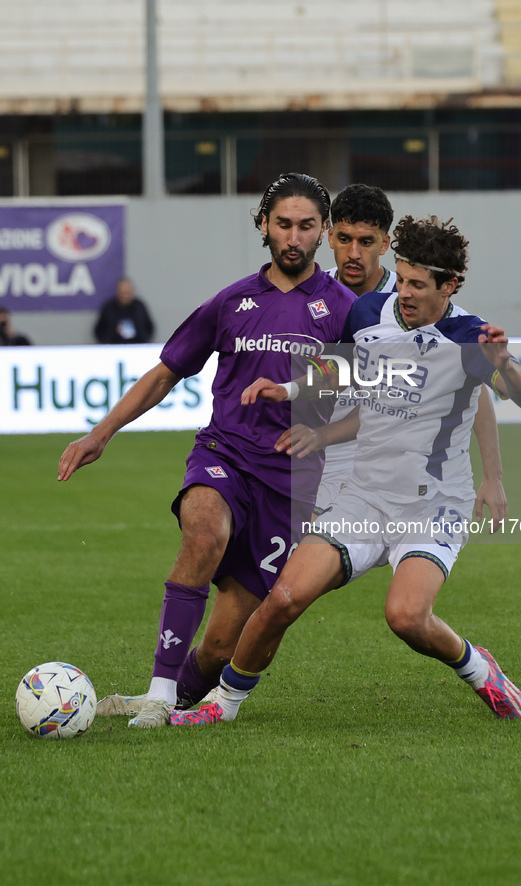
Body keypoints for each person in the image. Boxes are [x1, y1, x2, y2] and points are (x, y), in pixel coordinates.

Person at [172, 214, 521, 727]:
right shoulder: (368, 312)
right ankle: (222, 705)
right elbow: (341, 373)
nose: (403, 292)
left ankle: (479, 669)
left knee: (406, 617)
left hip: (432, 504)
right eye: (401, 277)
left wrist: (505, 366)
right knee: (283, 597)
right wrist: (290, 391)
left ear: (449, 286)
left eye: (417, 284)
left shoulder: (471, 338)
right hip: (364, 496)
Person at [58, 172, 356, 728]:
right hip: (226, 451)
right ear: (264, 226)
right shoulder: (233, 301)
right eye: (284, 224)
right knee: (204, 529)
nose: (293, 237)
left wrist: (326, 430)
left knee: (221, 646)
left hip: (289, 487)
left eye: (307, 226)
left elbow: (370, 398)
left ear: (324, 233)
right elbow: (167, 371)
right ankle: (158, 691)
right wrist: (101, 432)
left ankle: (179, 698)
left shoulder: (344, 311)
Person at [317, 184, 506, 527]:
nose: (354, 253)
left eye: (367, 241)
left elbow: (472, 390)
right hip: (313, 443)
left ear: (385, 244)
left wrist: (493, 477)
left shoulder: (419, 303)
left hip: (371, 459)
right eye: (344, 239)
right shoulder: (313, 294)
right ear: (329, 237)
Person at [93, 278, 155, 344]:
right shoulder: (109, 308)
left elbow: (149, 327)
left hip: (137, 346)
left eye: (128, 293)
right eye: (123, 293)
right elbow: (99, 330)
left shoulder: (139, 307)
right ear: (118, 292)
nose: (125, 296)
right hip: (114, 348)